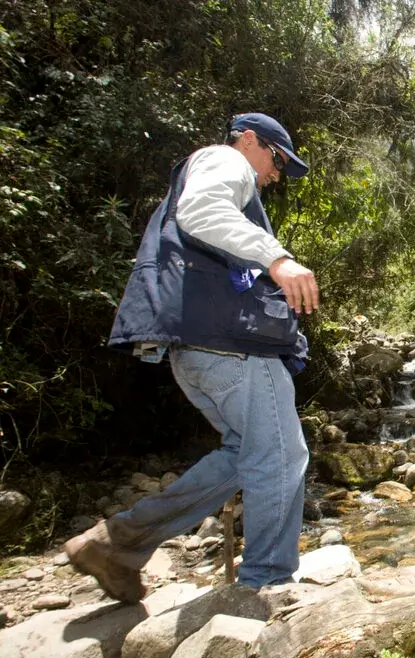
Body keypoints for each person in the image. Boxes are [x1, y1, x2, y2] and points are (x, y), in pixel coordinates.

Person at [63, 113, 320, 602]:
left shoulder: (224, 169)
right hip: (234, 350)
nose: (277, 174)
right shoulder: (226, 160)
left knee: (242, 457)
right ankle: (266, 587)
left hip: (199, 351)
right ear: (250, 141)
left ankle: (117, 542)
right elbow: (200, 211)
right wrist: (278, 258)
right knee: (284, 458)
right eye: (278, 159)